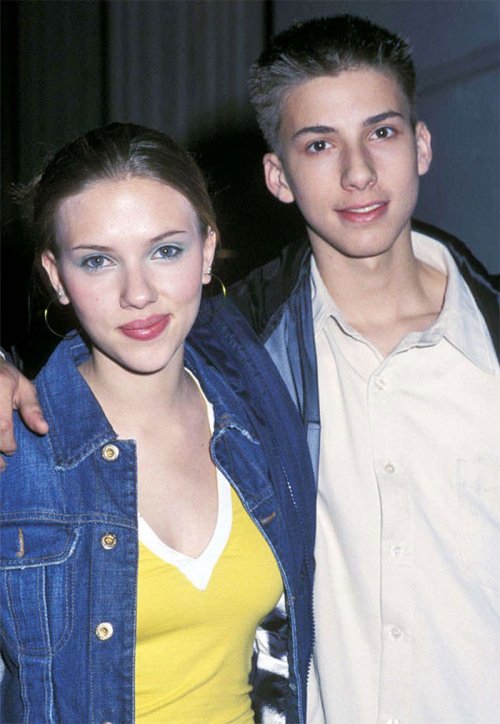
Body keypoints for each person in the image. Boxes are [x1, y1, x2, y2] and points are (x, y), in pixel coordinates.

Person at [1, 13, 500, 724]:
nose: (358, 172)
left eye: (382, 132)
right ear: (277, 175)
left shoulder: (241, 378)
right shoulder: (250, 355)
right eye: (319, 144)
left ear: (421, 144)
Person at [0, 122, 315, 723]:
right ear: (56, 276)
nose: (138, 293)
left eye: (165, 250)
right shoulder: (17, 452)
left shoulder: (258, 415)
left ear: (206, 251)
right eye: (97, 261)